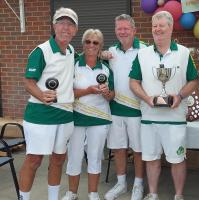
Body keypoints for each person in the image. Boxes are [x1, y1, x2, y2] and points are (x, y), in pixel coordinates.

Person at [129, 11, 198, 200]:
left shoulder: (183, 53)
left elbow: (193, 80)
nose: (157, 29)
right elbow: (133, 82)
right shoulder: (142, 54)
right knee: (151, 159)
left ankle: (178, 195)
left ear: (171, 28)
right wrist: (146, 98)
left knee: (177, 159)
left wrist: (180, 95)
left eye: (161, 25)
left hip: (175, 118)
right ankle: (152, 193)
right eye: (154, 26)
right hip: (149, 117)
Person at [19, 7, 78, 200]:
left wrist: (102, 54)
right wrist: (41, 94)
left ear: (75, 30)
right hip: (41, 116)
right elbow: (28, 82)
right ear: (54, 25)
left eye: (70, 25)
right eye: (61, 23)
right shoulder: (41, 50)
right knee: (34, 160)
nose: (65, 28)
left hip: (65, 115)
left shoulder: (70, 50)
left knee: (58, 159)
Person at [61, 29, 114, 200]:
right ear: (83, 44)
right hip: (76, 118)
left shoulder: (106, 68)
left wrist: (107, 93)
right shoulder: (73, 64)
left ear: (100, 46)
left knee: (95, 157)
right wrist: (88, 91)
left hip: (99, 119)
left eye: (95, 42)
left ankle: (93, 193)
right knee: (74, 157)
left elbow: (112, 95)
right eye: (88, 41)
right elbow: (66, 91)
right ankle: (72, 193)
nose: (91, 45)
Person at [103, 14, 147, 200]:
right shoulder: (110, 52)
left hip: (138, 110)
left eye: (126, 28)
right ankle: (121, 184)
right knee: (118, 148)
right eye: (119, 28)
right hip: (115, 109)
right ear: (115, 31)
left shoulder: (145, 50)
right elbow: (92, 57)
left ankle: (138, 184)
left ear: (134, 30)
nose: (122, 31)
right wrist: (100, 54)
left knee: (138, 150)